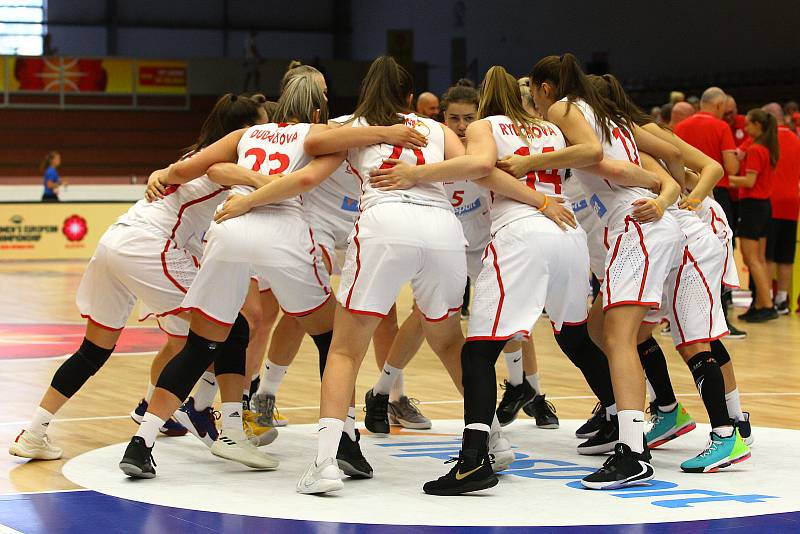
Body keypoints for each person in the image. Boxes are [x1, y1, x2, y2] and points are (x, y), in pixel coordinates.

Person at [296, 56, 545, 494]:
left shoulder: (352, 124)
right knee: (450, 340)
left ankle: (324, 465)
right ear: (412, 98)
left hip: (385, 223)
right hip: (442, 229)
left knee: (344, 350)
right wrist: (539, 200)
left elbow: (314, 143)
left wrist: (375, 133)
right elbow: (479, 168)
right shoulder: (436, 129)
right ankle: (494, 439)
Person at [9, 93, 270, 462]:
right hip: (152, 246)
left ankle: (35, 432)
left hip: (116, 241)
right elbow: (217, 173)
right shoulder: (224, 161)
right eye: (261, 126)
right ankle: (215, 423)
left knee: (97, 350)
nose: (266, 134)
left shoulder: (192, 154)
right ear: (243, 130)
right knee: (229, 328)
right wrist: (270, 179)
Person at [117, 73, 350, 479]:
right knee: (331, 339)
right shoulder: (322, 133)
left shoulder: (250, 133)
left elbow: (193, 166)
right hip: (282, 231)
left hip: (228, 231)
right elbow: (310, 176)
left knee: (202, 343)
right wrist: (397, 129)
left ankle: (142, 443)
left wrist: (165, 173)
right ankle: (343, 440)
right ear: (317, 109)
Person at [526, 54, 683, 490]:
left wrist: (525, 165)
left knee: (616, 338)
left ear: (545, 88)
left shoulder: (564, 109)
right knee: (600, 329)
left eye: (536, 97)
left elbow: (596, 157)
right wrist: (662, 191)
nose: (539, 110)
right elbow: (668, 157)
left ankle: (633, 450)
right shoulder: (604, 115)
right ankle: (626, 421)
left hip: (638, 226)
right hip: (642, 227)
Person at [595, 74, 752, 472]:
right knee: (638, 332)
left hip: (694, 233)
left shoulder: (638, 131)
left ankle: (729, 430)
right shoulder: (616, 135)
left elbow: (701, 166)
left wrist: (684, 199)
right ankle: (670, 411)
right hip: (672, 236)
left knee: (696, 338)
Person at [729, 109, 780, 323]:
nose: (746, 128)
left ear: (758, 126)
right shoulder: (765, 148)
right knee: (758, 259)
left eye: (749, 125)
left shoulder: (757, 150)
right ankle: (761, 302)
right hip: (763, 207)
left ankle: (766, 304)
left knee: (752, 259)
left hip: (752, 206)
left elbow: (749, 181)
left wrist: (726, 177)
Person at [674, 88, 740, 236]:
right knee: (722, 241)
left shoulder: (680, 127)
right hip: (716, 192)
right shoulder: (722, 126)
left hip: (686, 192)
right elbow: (731, 168)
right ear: (718, 105)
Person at [762, 103, 800, 314]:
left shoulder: (767, 140)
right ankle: (782, 299)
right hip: (792, 204)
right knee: (786, 255)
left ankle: (766, 299)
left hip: (771, 202)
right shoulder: (796, 138)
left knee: (768, 256)